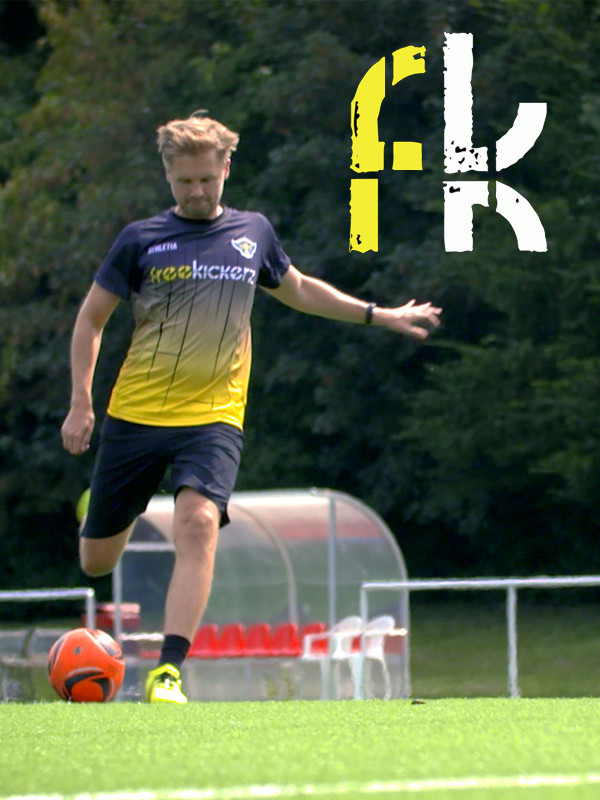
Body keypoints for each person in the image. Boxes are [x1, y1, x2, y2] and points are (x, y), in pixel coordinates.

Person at [61, 112, 442, 704]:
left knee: (198, 523)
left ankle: (168, 671)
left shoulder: (253, 233)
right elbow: (91, 319)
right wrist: (81, 402)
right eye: (184, 181)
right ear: (167, 174)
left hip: (213, 417)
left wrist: (379, 314)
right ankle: (110, 504)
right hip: (136, 416)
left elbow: (299, 289)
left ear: (226, 168)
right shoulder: (140, 239)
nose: (196, 191)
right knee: (95, 561)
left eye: (206, 179)